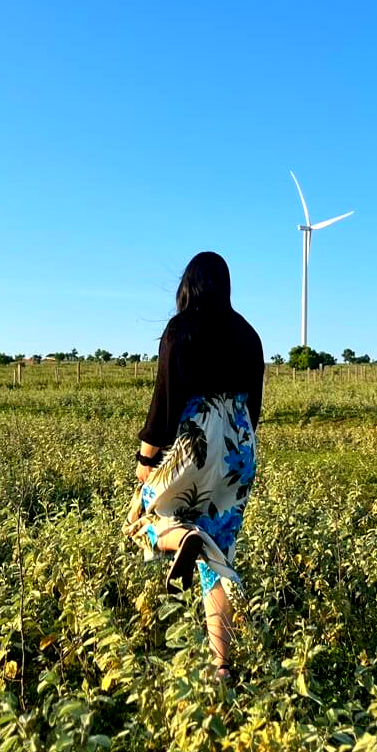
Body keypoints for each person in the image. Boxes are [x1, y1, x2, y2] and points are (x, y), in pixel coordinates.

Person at [124, 251, 263, 679]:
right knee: (217, 557)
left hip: (195, 439)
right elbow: (253, 406)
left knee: (142, 519)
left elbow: (165, 401)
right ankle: (222, 665)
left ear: (188, 285)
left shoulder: (181, 329)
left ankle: (182, 536)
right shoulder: (249, 336)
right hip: (240, 445)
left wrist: (147, 460)